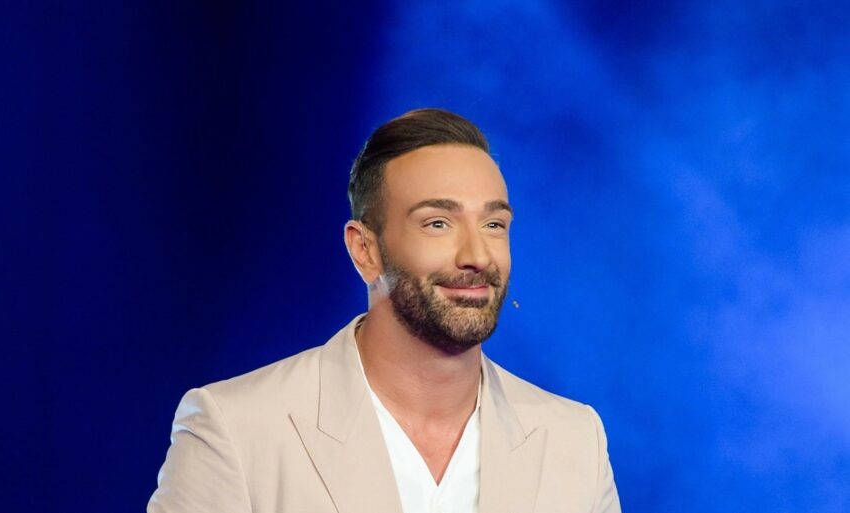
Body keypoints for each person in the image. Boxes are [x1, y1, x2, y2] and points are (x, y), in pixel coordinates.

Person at [148, 108, 621, 513]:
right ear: (365, 250)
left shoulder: (574, 440)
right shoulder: (236, 429)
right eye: (438, 223)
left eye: (494, 224)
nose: (477, 255)